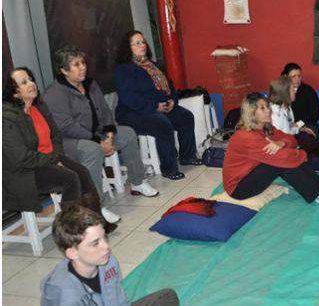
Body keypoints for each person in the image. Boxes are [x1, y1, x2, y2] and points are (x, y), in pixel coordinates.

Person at [44, 46, 159, 224]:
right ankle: (96, 207)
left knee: (127, 133)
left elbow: (105, 112)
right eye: (76, 64)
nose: (83, 67)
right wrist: (99, 140)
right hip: (70, 141)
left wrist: (109, 136)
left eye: (83, 62)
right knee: (92, 150)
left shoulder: (91, 84)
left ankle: (137, 181)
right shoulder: (55, 93)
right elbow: (68, 126)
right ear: (64, 70)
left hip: (98, 134)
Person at [41, 205, 179, 306]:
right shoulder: (62, 296)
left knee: (167, 298)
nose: (106, 246)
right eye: (95, 243)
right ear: (72, 253)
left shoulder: (108, 262)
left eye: (104, 237)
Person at [2, 67, 117, 233]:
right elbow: (20, 157)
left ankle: (96, 222)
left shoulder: (39, 106)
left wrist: (55, 156)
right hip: (25, 172)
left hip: (49, 159)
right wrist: (53, 160)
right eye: (24, 82)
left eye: (31, 79)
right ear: (14, 93)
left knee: (83, 172)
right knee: (69, 178)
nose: (31, 84)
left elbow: (55, 134)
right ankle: (75, 230)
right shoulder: (7, 117)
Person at [223, 92, 319, 204]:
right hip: (238, 187)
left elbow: (291, 139)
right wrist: (303, 155)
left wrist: (281, 143)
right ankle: (318, 194)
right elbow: (284, 157)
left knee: (285, 157)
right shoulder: (246, 137)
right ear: (251, 113)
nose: (268, 111)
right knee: (281, 162)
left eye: (267, 106)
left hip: (253, 171)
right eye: (262, 108)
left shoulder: (265, 127)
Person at [114, 30, 201, 180]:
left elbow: (170, 86)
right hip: (133, 113)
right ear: (128, 48)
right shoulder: (124, 70)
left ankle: (187, 156)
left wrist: (172, 100)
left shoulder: (154, 66)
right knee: (163, 124)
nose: (142, 45)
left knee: (185, 117)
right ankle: (169, 169)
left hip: (161, 107)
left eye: (142, 42)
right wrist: (155, 106)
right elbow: (130, 98)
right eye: (136, 43)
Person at [268, 76, 319, 171]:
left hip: (291, 138)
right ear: (285, 93)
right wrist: (299, 138)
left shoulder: (286, 106)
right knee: (310, 142)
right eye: (292, 89)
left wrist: (300, 128)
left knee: (311, 134)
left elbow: (291, 126)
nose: (295, 91)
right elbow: (284, 138)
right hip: (286, 146)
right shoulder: (275, 114)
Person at [281, 63, 319, 133]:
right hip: (286, 125)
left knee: (307, 136)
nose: (297, 79)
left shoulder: (308, 91)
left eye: (299, 76)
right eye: (293, 76)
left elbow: (315, 113)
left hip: (307, 124)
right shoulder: (280, 90)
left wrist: (299, 124)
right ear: (285, 76)